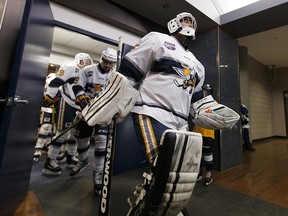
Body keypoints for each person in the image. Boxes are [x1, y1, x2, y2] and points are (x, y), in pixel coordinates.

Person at [119, 12, 205, 213]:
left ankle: (147, 201)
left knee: (180, 173)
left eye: (192, 22)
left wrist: (209, 110)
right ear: (173, 23)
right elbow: (130, 70)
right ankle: (156, 206)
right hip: (152, 112)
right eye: (185, 19)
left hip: (181, 122)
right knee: (163, 165)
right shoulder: (158, 39)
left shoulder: (197, 64)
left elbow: (197, 97)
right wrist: (112, 102)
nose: (188, 23)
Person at [70, 47, 118, 195]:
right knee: (80, 137)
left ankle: (98, 173)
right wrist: (81, 97)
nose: (107, 65)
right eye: (105, 61)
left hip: (103, 114)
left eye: (111, 63)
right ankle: (82, 160)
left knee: (101, 140)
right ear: (101, 58)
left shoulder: (116, 76)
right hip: (85, 111)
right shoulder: (87, 70)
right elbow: (77, 85)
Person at [42, 53, 93, 175]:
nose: (88, 65)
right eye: (86, 62)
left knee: (73, 135)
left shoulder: (86, 73)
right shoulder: (70, 67)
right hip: (67, 103)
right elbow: (56, 82)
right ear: (80, 61)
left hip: (79, 106)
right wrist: (50, 95)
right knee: (61, 133)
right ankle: (50, 161)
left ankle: (70, 157)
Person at [193, 84, 215, 186]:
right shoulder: (197, 103)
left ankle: (209, 173)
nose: (205, 93)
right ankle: (199, 173)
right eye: (204, 91)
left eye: (207, 92)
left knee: (207, 153)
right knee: (197, 154)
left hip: (207, 132)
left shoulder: (214, 104)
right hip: (197, 132)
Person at [33, 72, 56, 161]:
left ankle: (47, 147)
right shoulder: (43, 89)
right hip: (46, 109)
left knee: (51, 130)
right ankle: (38, 148)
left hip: (55, 110)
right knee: (45, 127)